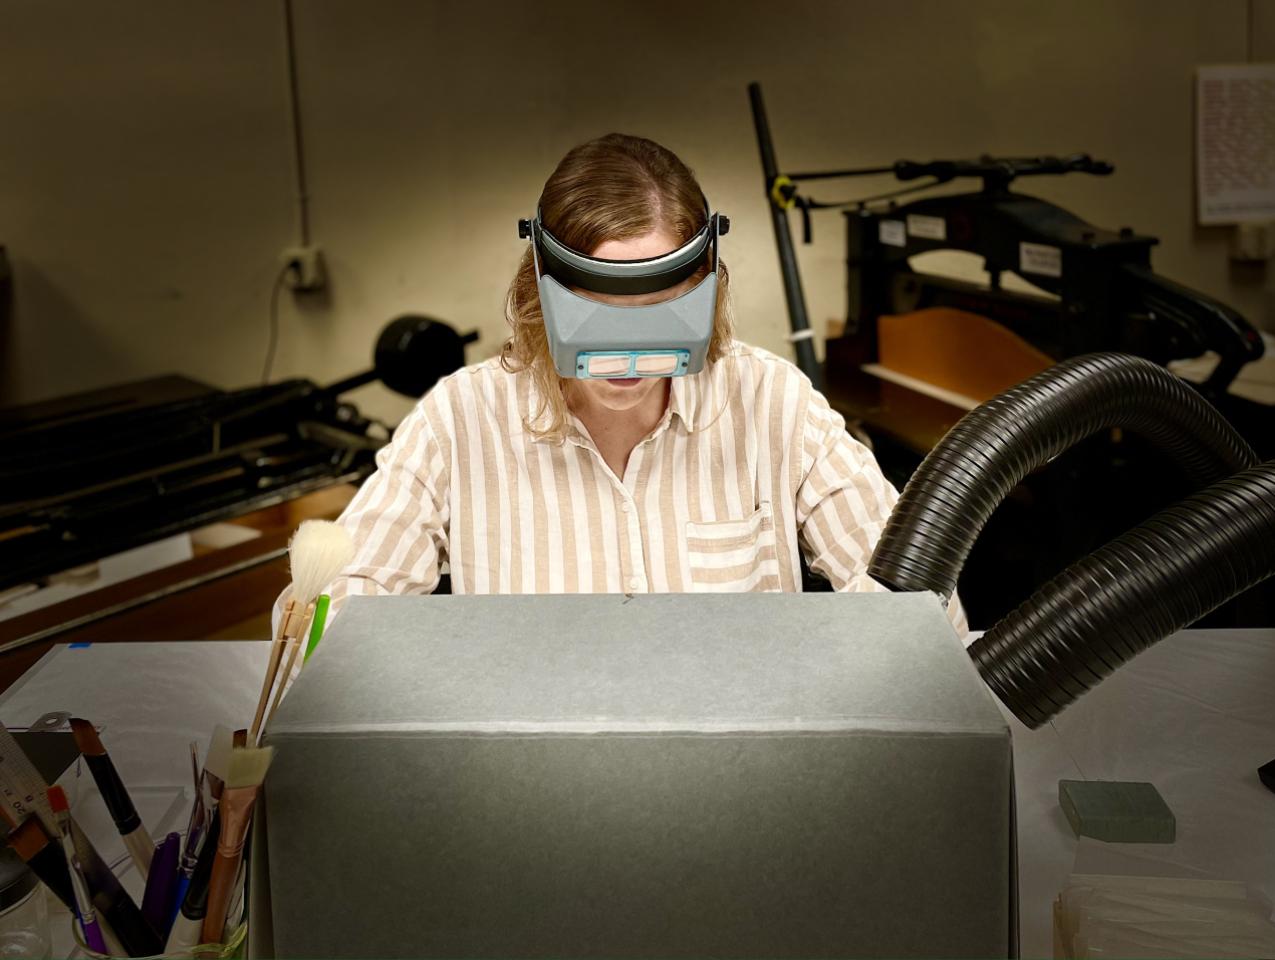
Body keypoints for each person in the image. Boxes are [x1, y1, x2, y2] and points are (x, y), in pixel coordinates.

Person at [275, 133, 966, 633]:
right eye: (598, 321)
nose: (629, 361)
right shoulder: (460, 419)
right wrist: (334, 628)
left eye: (661, 319)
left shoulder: (771, 404)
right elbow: (338, 601)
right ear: (539, 293)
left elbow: (908, 590)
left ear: (707, 290)